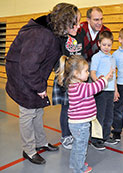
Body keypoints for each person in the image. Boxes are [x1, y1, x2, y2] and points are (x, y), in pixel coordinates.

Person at [5, 3, 80, 165]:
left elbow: (50, 57)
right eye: (76, 23)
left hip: (32, 74)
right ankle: (29, 150)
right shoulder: (41, 35)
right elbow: (28, 65)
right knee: (28, 112)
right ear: (66, 22)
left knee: (38, 110)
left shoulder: (55, 32)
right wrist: (39, 87)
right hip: (22, 76)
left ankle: (40, 142)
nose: (79, 26)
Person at [52, 6, 110, 149]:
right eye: (76, 23)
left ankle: (77, 132)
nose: (78, 26)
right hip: (66, 75)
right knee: (66, 107)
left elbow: (84, 52)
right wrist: (62, 72)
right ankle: (66, 136)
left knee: (77, 106)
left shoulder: (80, 33)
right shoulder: (60, 36)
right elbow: (54, 56)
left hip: (79, 74)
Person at [56, 55, 113, 173]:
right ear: (76, 73)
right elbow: (95, 88)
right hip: (80, 125)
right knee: (81, 147)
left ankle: (75, 163)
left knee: (77, 145)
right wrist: (106, 78)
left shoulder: (75, 86)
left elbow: (91, 87)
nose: (88, 73)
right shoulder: (79, 88)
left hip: (78, 124)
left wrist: (101, 79)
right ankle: (79, 168)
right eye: (86, 71)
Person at [90, 31, 117, 150]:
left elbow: (114, 76)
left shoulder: (112, 58)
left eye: (109, 45)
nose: (106, 47)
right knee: (99, 116)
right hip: (100, 91)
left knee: (109, 115)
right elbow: (92, 73)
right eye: (104, 44)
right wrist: (97, 82)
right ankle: (96, 139)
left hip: (110, 91)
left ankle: (105, 136)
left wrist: (116, 90)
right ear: (99, 44)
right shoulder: (96, 57)